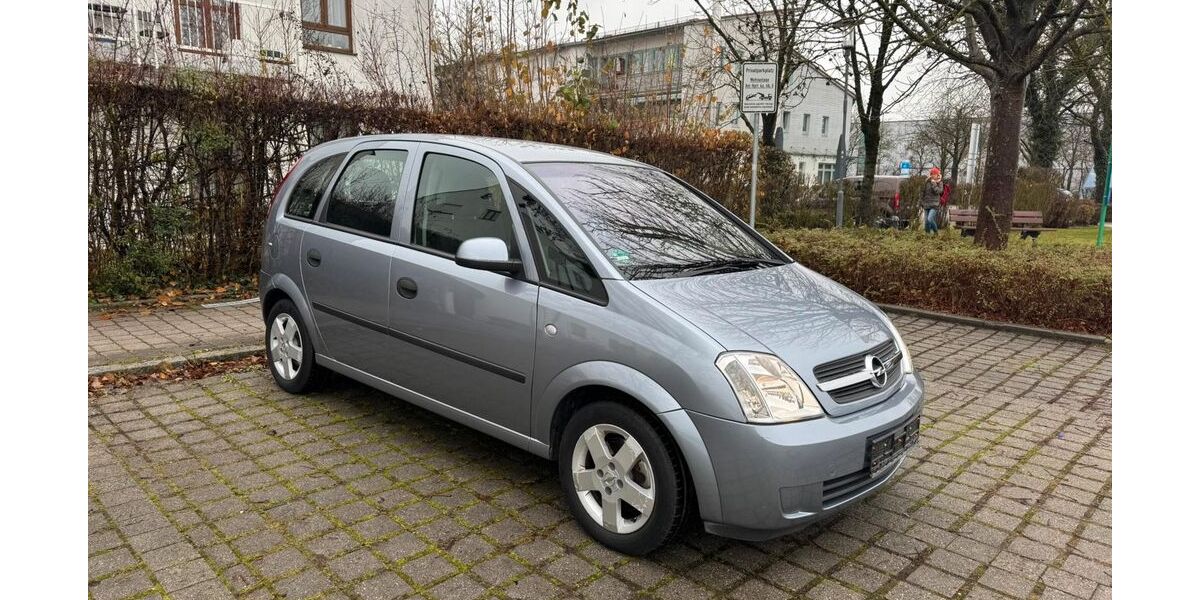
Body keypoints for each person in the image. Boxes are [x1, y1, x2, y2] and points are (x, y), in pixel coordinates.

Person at [921, 168, 945, 234]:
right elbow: (923, 193)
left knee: (930, 219)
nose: (933, 175)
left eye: (934, 174)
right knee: (926, 221)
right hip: (926, 204)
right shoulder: (927, 182)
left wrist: (934, 184)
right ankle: (927, 235)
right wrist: (922, 202)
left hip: (935, 204)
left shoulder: (940, 182)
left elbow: (939, 191)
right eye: (932, 174)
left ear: (937, 175)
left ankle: (936, 233)